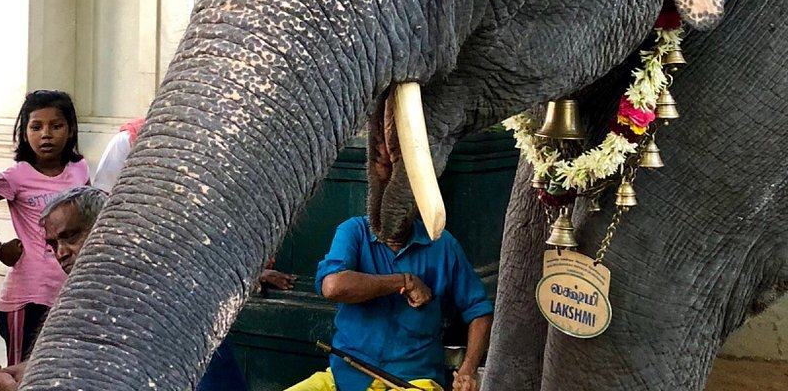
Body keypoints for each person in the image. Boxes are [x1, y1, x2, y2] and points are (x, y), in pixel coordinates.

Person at [92, 116, 295, 391]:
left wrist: (251, 265)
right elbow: (101, 211)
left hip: (199, 294)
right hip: (140, 288)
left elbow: (238, 216)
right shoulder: (130, 141)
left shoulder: (225, 145)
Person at [284, 216, 493, 391]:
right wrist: (402, 281)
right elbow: (332, 286)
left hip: (412, 381)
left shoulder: (443, 244)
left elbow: (479, 311)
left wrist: (468, 370)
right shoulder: (353, 230)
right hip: (344, 379)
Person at [0, 91, 89, 367]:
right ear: (24, 133)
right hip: (27, 299)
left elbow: (87, 218)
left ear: (70, 130)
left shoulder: (79, 170)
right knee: (23, 376)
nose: (45, 134)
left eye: (55, 126)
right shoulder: (16, 176)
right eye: (36, 127)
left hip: (67, 294)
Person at [0, 186, 107, 391]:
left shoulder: (117, 296)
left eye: (71, 236)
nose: (61, 253)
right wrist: (22, 369)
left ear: (102, 228)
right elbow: (66, 356)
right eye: (53, 245)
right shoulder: (76, 297)